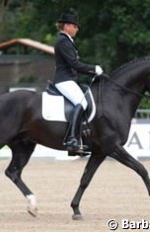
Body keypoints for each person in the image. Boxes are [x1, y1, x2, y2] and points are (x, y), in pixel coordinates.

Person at [53, 12, 104, 152]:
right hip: (64, 80)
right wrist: (93, 68)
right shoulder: (63, 40)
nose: (77, 29)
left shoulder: (68, 40)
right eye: (75, 26)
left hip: (70, 79)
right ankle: (72, 139)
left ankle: (82, 136)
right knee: (82, 102)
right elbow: (74, 64)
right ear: (67, 26)